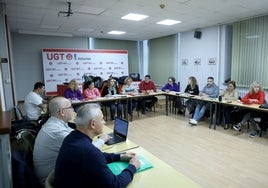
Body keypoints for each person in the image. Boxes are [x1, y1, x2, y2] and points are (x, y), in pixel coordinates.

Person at [54, 103, 140, 188]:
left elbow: (97, 156)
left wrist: (121, 156)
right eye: (102, 119)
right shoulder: (88, 151)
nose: (104, 122)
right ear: (93, 124)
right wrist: (132, 167)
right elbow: (114, 185)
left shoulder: (72, 137)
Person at [33, 97, 110, 186]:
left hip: (56, 172)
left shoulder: (56, 123)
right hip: (51, 179)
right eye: (70, 107)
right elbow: (87, 150)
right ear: (62, 112)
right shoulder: (56, 131)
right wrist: (102, 139)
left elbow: (78, 136)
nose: (73, 110)